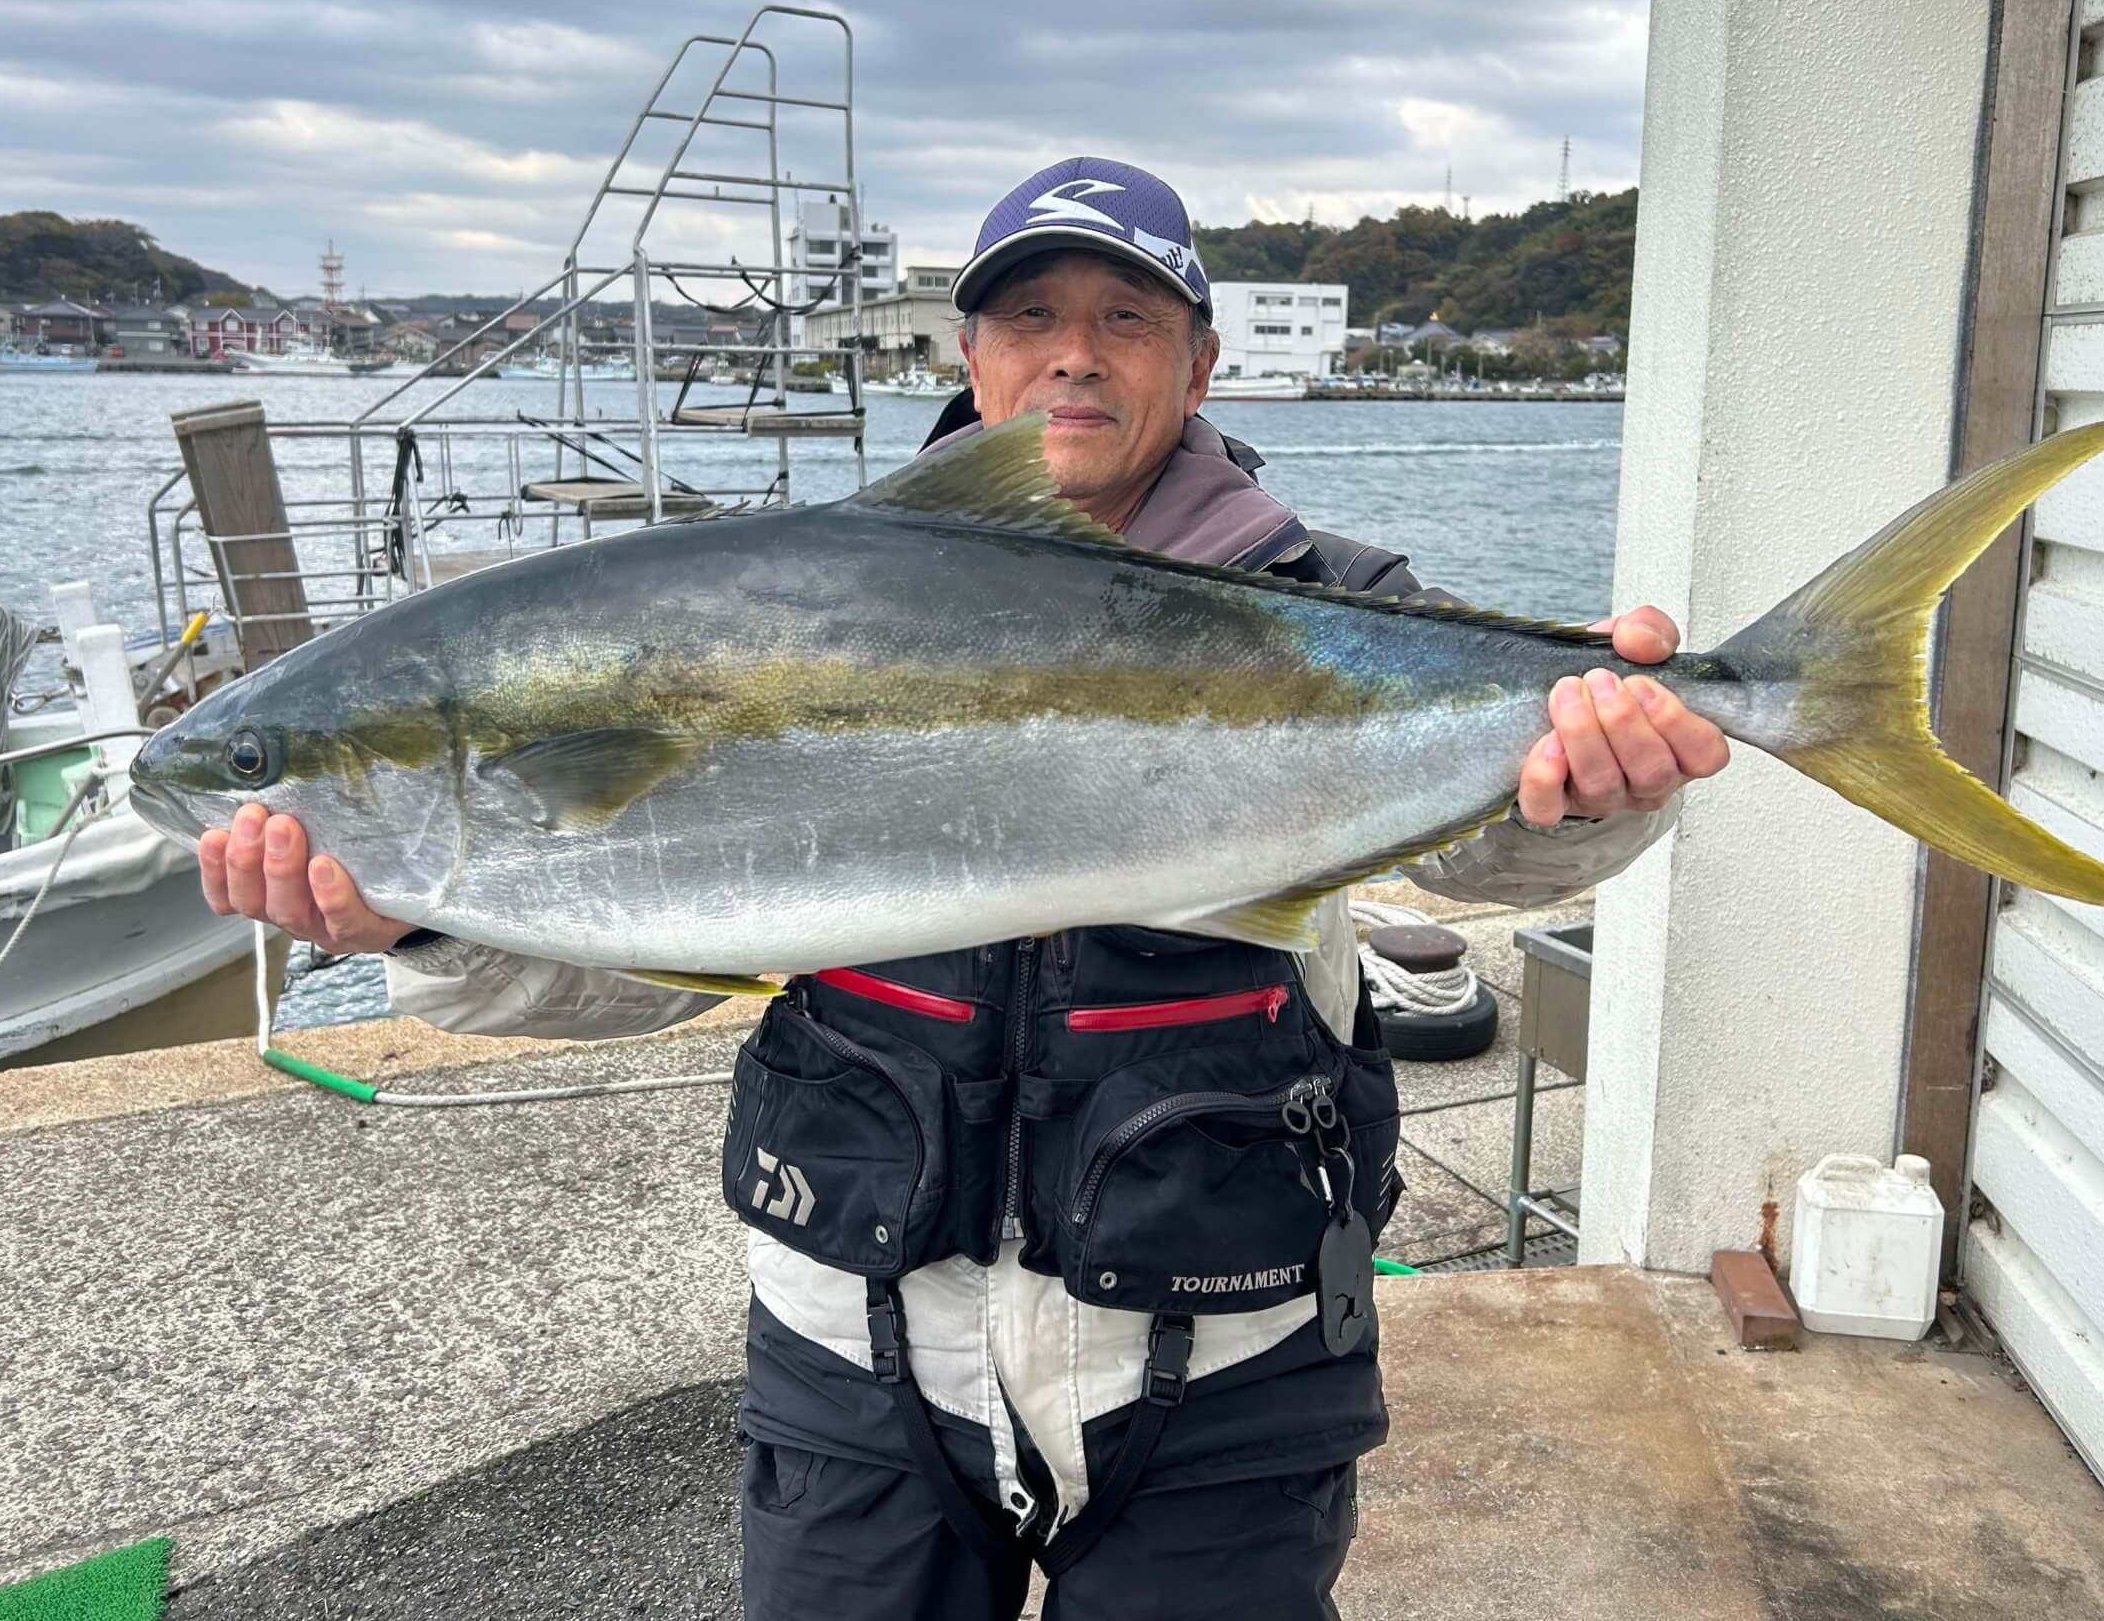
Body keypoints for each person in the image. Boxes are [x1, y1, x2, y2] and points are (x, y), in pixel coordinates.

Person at [195, 156, 1731, 1620]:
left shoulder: (1330, 608)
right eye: (1031, 319)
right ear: (972, 356)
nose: (1076, 358)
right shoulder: (796, 606)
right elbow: (648, 950)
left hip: (1226, 1342)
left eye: (1125, 320)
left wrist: (1601, 783)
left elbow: (1486, 853)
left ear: (1197, 369)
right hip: (862, 1343)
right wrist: (415, 920)